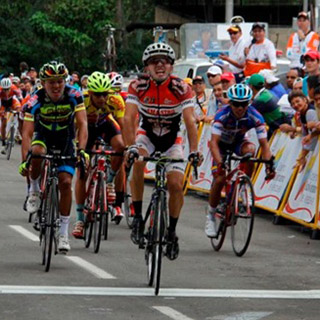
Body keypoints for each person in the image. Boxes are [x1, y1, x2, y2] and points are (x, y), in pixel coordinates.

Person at [123, 43, 201, 260]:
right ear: (146, 67)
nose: (160, 64)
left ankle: (172, 232)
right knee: (137, 160)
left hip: (171, 139)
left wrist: (194, 150)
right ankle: (138, 217)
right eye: (154, 61)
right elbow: (128, 118)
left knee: (175, 185)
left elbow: (190, 121)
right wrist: (130, 147)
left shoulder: (181, 88)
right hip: (146, 135)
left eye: (165, 61)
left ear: (171, 66)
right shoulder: (137, 86)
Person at [19, 61, 88, 253]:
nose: (56, 86)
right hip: (43, 137)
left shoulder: (74, 94)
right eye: (51, 82)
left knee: (65, 183)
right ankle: (33, 190)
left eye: (59, 81)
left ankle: (63, 233)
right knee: (38, 153)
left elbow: (82, 124)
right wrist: (26, 160)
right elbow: (26, 134)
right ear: (42, 83)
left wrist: (81, 150)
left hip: (65, 140)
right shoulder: (36, 99)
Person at [206, 84, 275, 237]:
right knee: (219, 179)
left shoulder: (254, 115)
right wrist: (219, 163)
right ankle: (210, 216)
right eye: (236, 104)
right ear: (230, 103)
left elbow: (264, 145)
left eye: (244, 104)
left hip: (238, 142)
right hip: (220, 146)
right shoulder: (221, 115)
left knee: (250, 151)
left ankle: (243, 185)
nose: (240, 107)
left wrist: (269, 165)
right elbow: (214, 144)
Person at [72, 72, 126, 239]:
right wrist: (77, 148)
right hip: (86, 129)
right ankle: (80, 219)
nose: (102, 98)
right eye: (97, 95)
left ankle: (109, 181)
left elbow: (122, 127)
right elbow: (74, 127)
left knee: (120, 146)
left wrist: (128, 149)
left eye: (105, 94)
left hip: (105, 124)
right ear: (90, 93)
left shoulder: (116, 101)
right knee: (82, 172)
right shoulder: (81, 99)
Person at [248, 74, 291, 138]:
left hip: (277, 131)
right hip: (280, 127)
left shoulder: (260, 100)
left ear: (251, 86)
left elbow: (249, 117)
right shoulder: (266, 93)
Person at [0, 77, 21, 153]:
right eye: (4, 89)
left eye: (7, 89)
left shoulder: (14, 88)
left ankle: (17, 133)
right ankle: (3, 140)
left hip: (12, 101)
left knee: (19, 110)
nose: (6, 91)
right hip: (3, 103)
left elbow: (20, 99)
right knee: (4, 122)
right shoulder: (0, 90)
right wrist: (2, 112)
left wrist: (20, 109)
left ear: (10, 87)